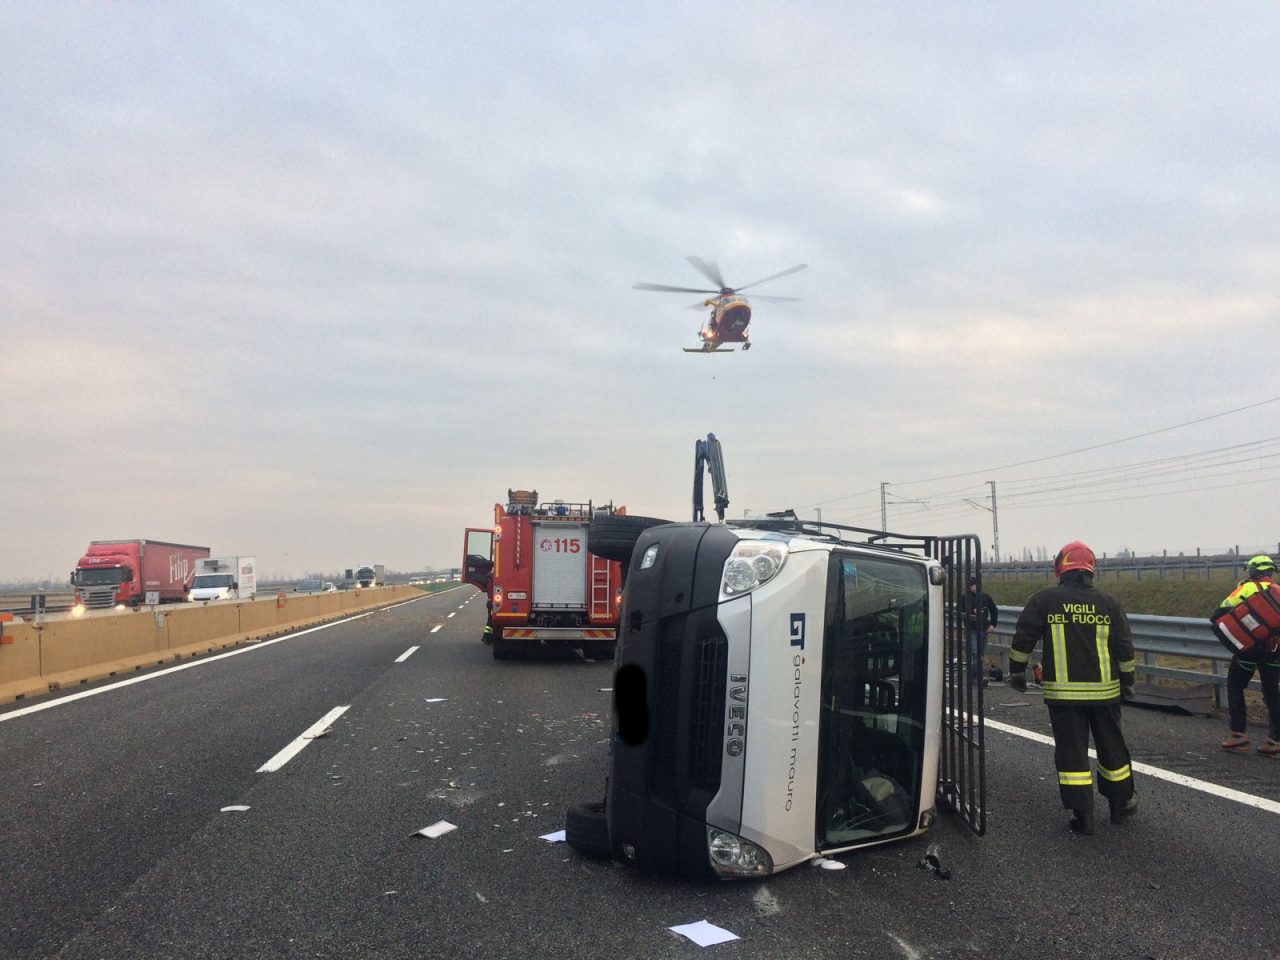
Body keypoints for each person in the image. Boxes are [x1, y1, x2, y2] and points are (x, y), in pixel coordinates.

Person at [1008, 541, 1138, 835]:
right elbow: (1125, 649)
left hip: (1064, 697)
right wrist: (1128, 683)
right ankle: (1120, 807)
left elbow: (1023, 638)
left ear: (1060, 568)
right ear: (1091, 569)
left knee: (1072, 753)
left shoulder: (1045, 600)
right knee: (1112, 748)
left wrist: (1016, 672)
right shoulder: (1109, 603)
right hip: (1105, 694)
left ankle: (1084, 816)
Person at [1217, 555, 1280, 756]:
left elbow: (1223, 608)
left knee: (1235, 685)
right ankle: (1275, 741)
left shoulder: (1245, 589)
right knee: (1272, 693)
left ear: (1253, 571)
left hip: (1248, 649)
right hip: (1274, 650)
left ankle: (1238, 736)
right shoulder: (1278, 591)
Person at [959, 574, 998, 684]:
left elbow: (994, 610)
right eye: (973, 585)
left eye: (977, 585)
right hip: (972, 630)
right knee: (975, 653)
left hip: (984, 629)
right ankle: (975, 677)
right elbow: (960, 611)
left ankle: (977, 675)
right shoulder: (964, 598)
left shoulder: (985, 597)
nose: (975, 587)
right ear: (969, 586)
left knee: (981, 654)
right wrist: (972, 611)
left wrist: (993, 625)